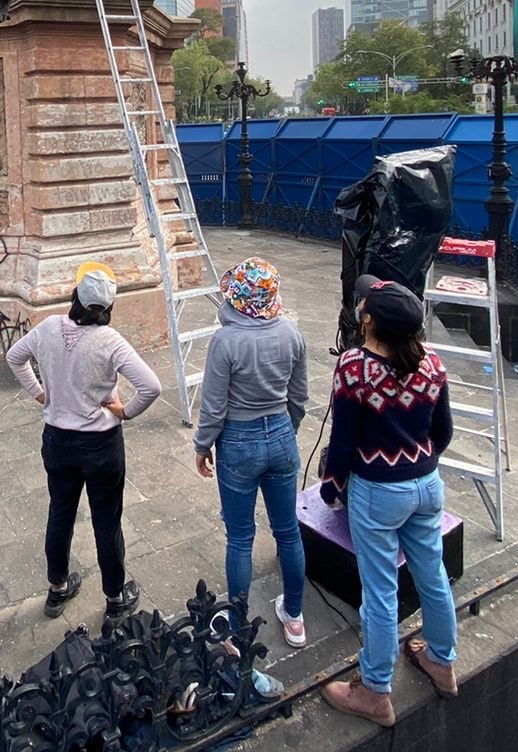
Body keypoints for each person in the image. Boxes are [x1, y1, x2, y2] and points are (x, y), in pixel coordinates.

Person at [319, 275, 458, 728]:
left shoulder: (354, 367)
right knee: (432, 574)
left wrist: (331, 486)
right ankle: (441, 660)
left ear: (370, 320)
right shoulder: (432, 363)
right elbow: (444, 433)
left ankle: (375, 691)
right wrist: (417, 458)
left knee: (380, 591)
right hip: (426, 483)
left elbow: (342, 442)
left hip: (378, 491)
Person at [5, 261, 161, 621]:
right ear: (108, 308)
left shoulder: (47, 328)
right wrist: (125, 411)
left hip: (58, 440)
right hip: (100, 444)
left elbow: (15, 357)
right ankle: (115, 596)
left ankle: (57, 589)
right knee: (107, 520)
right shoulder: (109, 340)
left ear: (74, 297)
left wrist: (40, 393)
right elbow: (151, 386)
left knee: (60, 514)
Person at [193, 257, 310, 650]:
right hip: (280, 434)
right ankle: (294, 615)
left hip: (238, 442)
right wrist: (285, 431)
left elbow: (214, 404)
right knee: (288, 531)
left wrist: (203, 444)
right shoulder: (291, 334)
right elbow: (300, 396)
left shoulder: (225, 342)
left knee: (240, 538)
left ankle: (238, 622)